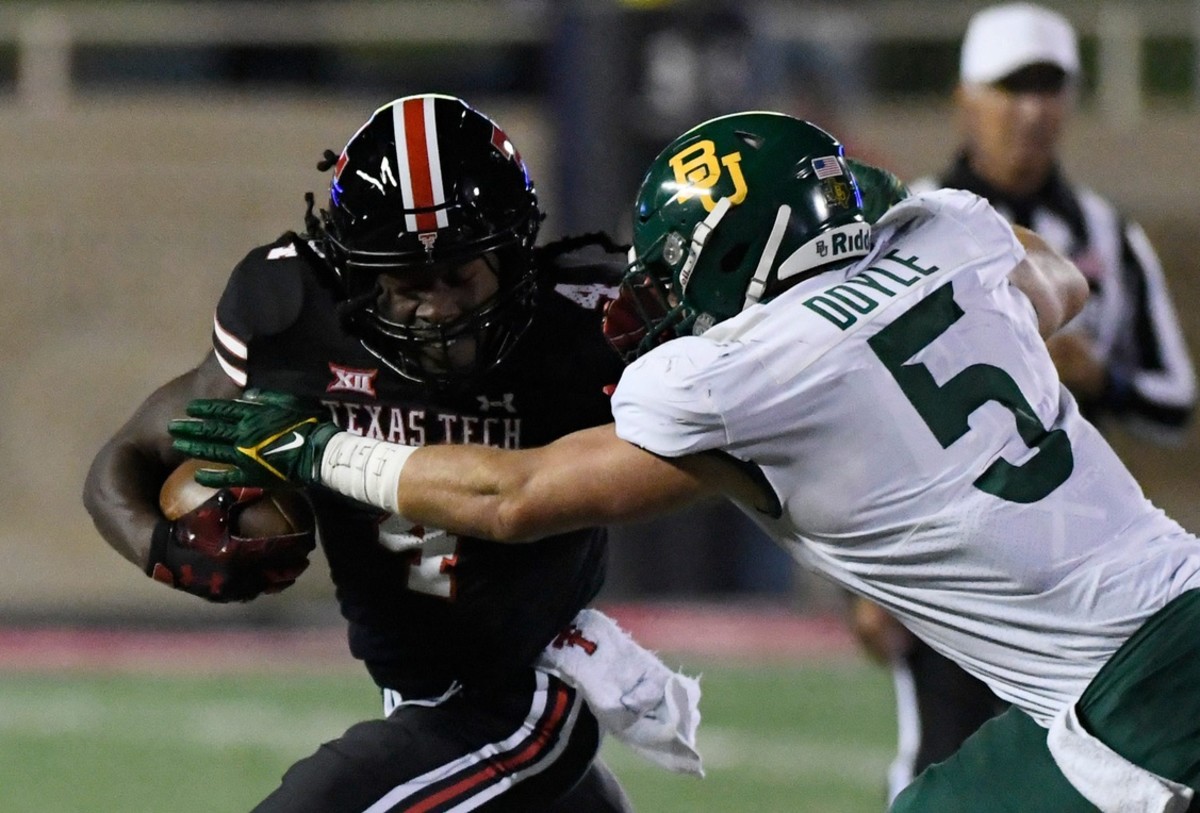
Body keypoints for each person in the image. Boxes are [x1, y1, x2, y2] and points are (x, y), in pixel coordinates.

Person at [173, 109, 1200, 812]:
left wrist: (316, 448)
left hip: (1135, 690)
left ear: (745, 257)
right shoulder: (955, 241)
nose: (655, 298)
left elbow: (513, 496)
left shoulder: (732, 374)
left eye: (673, 271)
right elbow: (1055, 276)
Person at [82, 94, 658, 812]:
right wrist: (165, 546)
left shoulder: (588, 330)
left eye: (460, 272)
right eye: (409, 280)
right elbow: (124, 459)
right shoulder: (294, 313)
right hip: (417, 692)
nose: (439, 305)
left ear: (512, 257)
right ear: (354, 274)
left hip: (530, 682)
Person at [846, 3, 1198, 801]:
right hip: (949, 557)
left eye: (1049, 88)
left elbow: (1173, 400)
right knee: (946, 760)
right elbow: (850, 407)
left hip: (1082, 559)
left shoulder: (1107, 233)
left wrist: (1099, 376)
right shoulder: (901, 227)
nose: (1032, 110)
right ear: (967, 97)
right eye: (1012, 88)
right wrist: (861, 583)